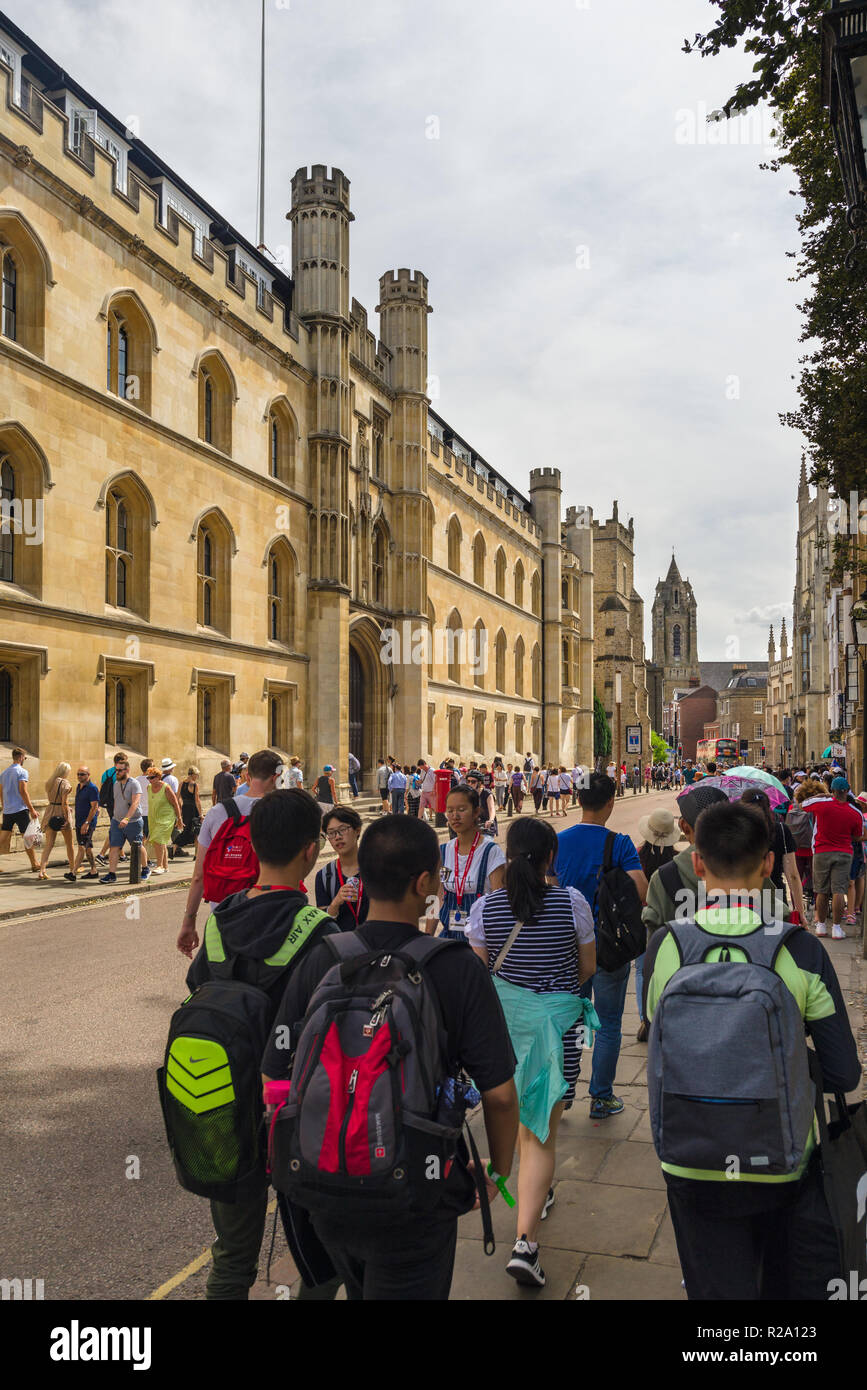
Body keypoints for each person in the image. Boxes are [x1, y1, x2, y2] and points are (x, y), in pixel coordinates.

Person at [262, 814, 520, 1301]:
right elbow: (502, 1096)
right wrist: (497, 1172)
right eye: (437, 875)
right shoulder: (456, 966)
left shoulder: (323, 956)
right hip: (415, 1195)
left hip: (326, 1192)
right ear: (423, 882)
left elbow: (275, 1078)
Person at [643, 799, 861, 1300]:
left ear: (697, 862)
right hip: (779, 1157)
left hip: (688, 1157)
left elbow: (659, 1032)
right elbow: (844, 1072)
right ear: (768, 864)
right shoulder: (800, 950)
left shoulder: (666, 948)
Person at [182, 787, 338, 1301]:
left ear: (251, 845)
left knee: (231, 1258)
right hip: (299, 1117)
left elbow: (198, 989)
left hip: (223, 1105)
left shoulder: (221, 920)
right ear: (312, 851)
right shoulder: (320, 933)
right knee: (321, 1257)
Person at [467, 816, 596, 1287]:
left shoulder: (486, 909)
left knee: (522, 1123)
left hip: (502, 1035)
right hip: (556, 1032)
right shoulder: (572, 902)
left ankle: (534, 1197)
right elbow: (587, 967)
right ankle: (525, 1243)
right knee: (540, 1133)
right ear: (551, 857)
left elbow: (482, 981)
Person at [552, 772, 647, 1118]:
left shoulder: (558, 842)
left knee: (568, 1022)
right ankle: (601, 1097)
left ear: (578, 800)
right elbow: (641, 890)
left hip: (567, 948)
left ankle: (562, 1094)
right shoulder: (619, 843)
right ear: (611, 802)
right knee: (608, 1022)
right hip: (608, 947)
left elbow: (549, 893)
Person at [177, 749, 282, 960]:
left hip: (224, 917)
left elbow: (199, 875)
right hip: (271, 919)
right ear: (277, 777)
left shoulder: (218, 812)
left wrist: (189, 921)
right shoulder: (285, 811)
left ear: (247, 777)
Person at [433, 783, 506, 939]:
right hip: (450, 937)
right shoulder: (444, 852)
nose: (455, 816)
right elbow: (438, 897)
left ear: (476, 812)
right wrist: (426, 939)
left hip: (483, 940)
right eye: (450, 811)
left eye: (461, 810)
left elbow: (500, 906)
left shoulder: (491, 853)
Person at [633, 808, 681, 1041]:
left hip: (642, 918)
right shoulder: (678, 860)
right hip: (672, 920)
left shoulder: (637, 855)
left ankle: (645, 1018)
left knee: (643, 970)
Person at [801, 776, 867, 939]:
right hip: (844, 852)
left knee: (821, 890)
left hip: (822, 851)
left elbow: (803, 804)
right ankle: (837, 928)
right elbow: (857, 836)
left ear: (833, 790)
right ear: (847, 790)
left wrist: (821, 796)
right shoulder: (855, 812)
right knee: (839, 890)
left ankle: (821, 926)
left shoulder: (822, 804)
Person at [739, 789, 805, 923]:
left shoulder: (736, 833)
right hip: (776, 897)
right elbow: (792, 875)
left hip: (743, 899)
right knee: (776, 940)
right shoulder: (781, 830)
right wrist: (799, 913)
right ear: (769, 806)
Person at [316, 806, 369, 932]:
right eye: (331, 833)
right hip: (341, 948)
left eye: (342, 829)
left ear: (357, 830)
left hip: (376, 946)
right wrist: (335, 904)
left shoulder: (377, 869)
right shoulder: (324, 876)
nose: (337, 837)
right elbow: (323, 924)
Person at [98, 757, 150, 883]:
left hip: (133, 822)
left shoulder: (134, 783)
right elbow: (116, 801)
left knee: (137, 846)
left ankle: (145, 868)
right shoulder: (116, 785)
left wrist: (127, 818)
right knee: (114, 847)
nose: (117, 773)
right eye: (116, 770)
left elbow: (135, 802)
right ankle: (111, 874)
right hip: (117, 821)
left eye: (120, 771)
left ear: (127, 770)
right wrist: (116, 817)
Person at [0, 747, 40, 872]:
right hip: (20, 810)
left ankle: (34, 863)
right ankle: (34, 864)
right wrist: (32, 809)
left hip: (7, 810)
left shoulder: (3, 773)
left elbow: (1, 792)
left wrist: (4, 806)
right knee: (27, 837)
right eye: (25, 758)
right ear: (21, 757)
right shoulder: (22, 772)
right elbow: (23, 791)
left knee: (2, 838)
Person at [37, 762, 77, 881]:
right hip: (61, 813)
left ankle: (42, 870)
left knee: (49, 844)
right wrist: (66, 817)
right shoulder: (65, 783)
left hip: (50, 812)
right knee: (69, 844)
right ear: (65, 772)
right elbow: (64, 802)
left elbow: (56, 800)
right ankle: (72, 868)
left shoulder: (50, 782)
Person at [147, 765, 183, 874]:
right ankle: (166, 866)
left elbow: (175, 803)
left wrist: (179, 819)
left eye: (152, 777)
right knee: (161, 842)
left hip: (166, 818)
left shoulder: (166, 788)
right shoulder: (148, 788)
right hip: (153, 818)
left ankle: (159, 866)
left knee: (159, 839)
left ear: (158, 777)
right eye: (148, 778)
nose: (150, 780)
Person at [72, 766, 100, 878]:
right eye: (78, 774)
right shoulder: (79, 786)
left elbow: (94, 807)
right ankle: (94, 870)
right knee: (87, 848)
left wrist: (87, 823)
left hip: (87, 824)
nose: (80, 776)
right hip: (79, 822)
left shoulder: (92, 788)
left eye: (82, 774)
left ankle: (72, 872)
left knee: (81, 847)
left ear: (88, 775)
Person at [173, 767, 204, 854]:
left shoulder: (181, 783)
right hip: (193, 809)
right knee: (196, 831)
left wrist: (180, 807)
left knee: (188, 829)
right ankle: (196, 853)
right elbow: (197, 800)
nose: (197, 776)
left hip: (185, 809)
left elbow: (177, 798)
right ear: (193, 774)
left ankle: (176, 847)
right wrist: (201, 814)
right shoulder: (194, 785)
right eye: (197, 775)